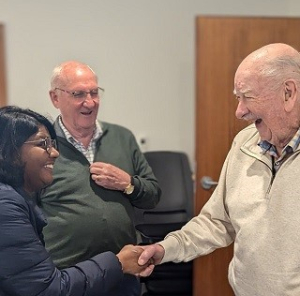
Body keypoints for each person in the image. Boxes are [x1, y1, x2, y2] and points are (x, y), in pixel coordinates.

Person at [138, 43, 300, 295]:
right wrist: (165, 249)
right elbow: (217, 222)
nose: (239, 111)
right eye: (238, 97)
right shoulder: (244, 143)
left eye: (248, 96)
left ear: (288, 93)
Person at [37, 61, 161, 295]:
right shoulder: (41, 147)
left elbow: (153, 196)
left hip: (122, 273)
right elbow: (25, 214)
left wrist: (128, 184)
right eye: (78, 94)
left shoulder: (122, 138)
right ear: (55, 98)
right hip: (68, 278)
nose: (90, 102)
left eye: (94, 92)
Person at [0, 105, 149, 296]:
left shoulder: (14, 197)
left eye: (52, 143)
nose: (54, 153)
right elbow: (48, 290)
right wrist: (118, 263)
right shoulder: (5, 206)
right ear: (9, 153)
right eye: (43, 144)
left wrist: (129, 183)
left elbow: (152, 192)